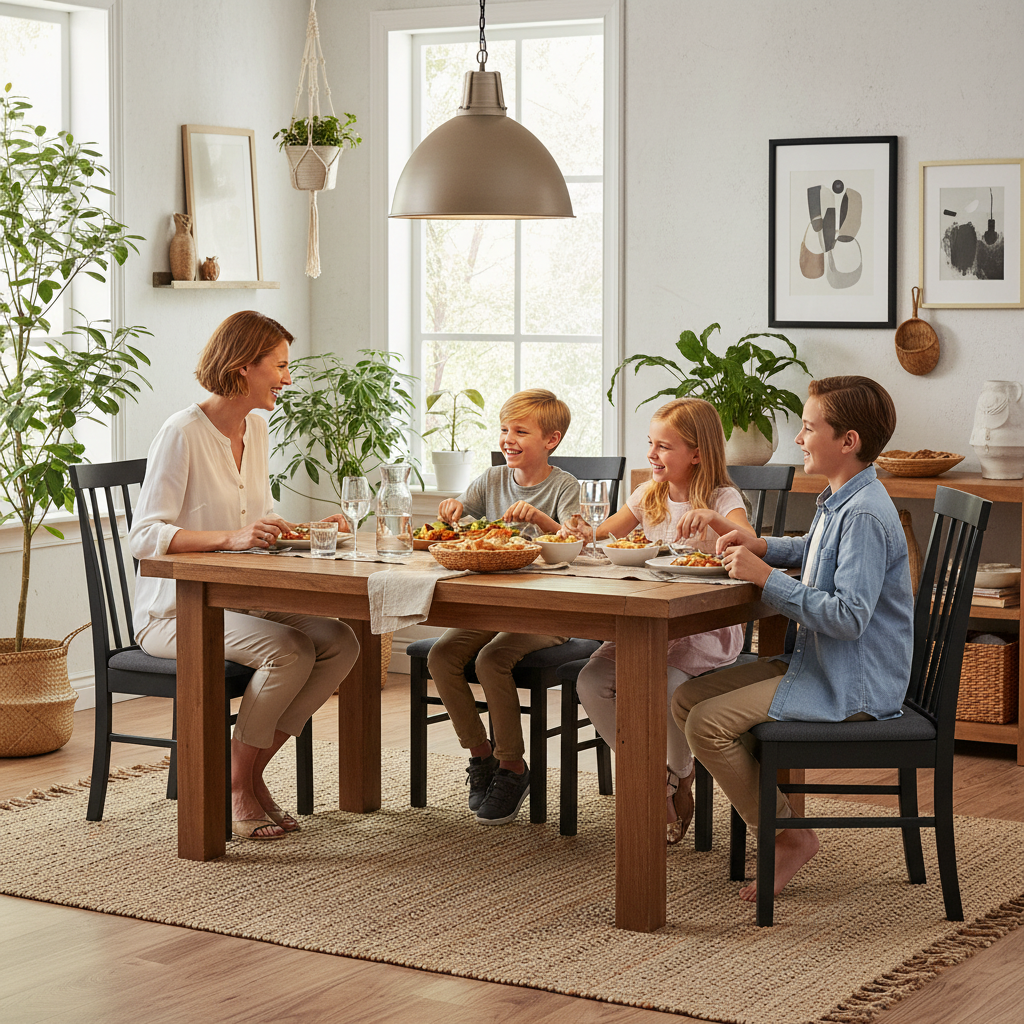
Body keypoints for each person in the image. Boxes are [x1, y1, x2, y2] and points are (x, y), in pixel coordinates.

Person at [672, 375, 912, 902]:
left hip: (854, 683)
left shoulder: (867, 514)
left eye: (808, 428)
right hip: (819, 660)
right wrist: (759, 544)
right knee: (686, 697)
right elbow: (812, 547)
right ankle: (779, 819)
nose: (799, 439)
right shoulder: (843, 497)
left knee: (708, 725)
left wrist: (763, 578)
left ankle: (790, 837)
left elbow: (849, 617)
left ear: (847, 441)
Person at [128, 311, 360, 841]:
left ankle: (246, 773)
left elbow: (254, 515)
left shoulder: (256, 427)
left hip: (240, 599)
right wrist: (229, 540)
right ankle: (238, 785)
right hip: (176, 613)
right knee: (291, 650)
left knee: (340, 641)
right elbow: (145, 538)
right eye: (279, 366)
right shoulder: (182, 432)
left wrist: (303, 527)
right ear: (242, 367)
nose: (288, 377)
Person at [563, 398, 755, 844]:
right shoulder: (648, 494)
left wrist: (714, 519)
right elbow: (602, 533)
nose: (652, 454)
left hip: (703, 626)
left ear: (698, 453)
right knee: (592, 681)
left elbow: (752, 542)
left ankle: (680, 774)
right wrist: (581, 532)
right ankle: (653, 780)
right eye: (651, 443)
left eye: (663, 446)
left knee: (669, 685)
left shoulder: (723, 497)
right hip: (649, 624)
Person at [430, 388, 579, 825]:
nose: (508, 439)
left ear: (550, 440)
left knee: (492, 659)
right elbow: (460, 523)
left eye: (520, 431)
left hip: (550, 613)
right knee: (442, 655)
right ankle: (482, 757)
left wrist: (540, 520)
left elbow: (577, 546)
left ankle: (514, 766)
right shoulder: (491, 480)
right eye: (503, 430)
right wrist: (451, 511)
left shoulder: (563, 486)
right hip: (493, 607)